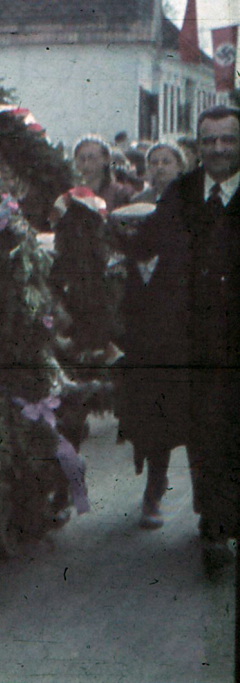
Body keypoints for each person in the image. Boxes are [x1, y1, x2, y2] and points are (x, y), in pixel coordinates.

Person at [121, 105, 240, 577]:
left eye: (228, 139)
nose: (219, 149)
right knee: (209, 434)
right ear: (199, 145)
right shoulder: (183, 193)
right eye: (210, 140)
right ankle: (214, 529)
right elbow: (144, 247)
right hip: (197, 346)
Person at [72, 135, 138, 210]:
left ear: (106, 160)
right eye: (81, 159)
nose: (86, 165)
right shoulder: (72, 196)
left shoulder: (120, 193)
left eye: (92, 158)